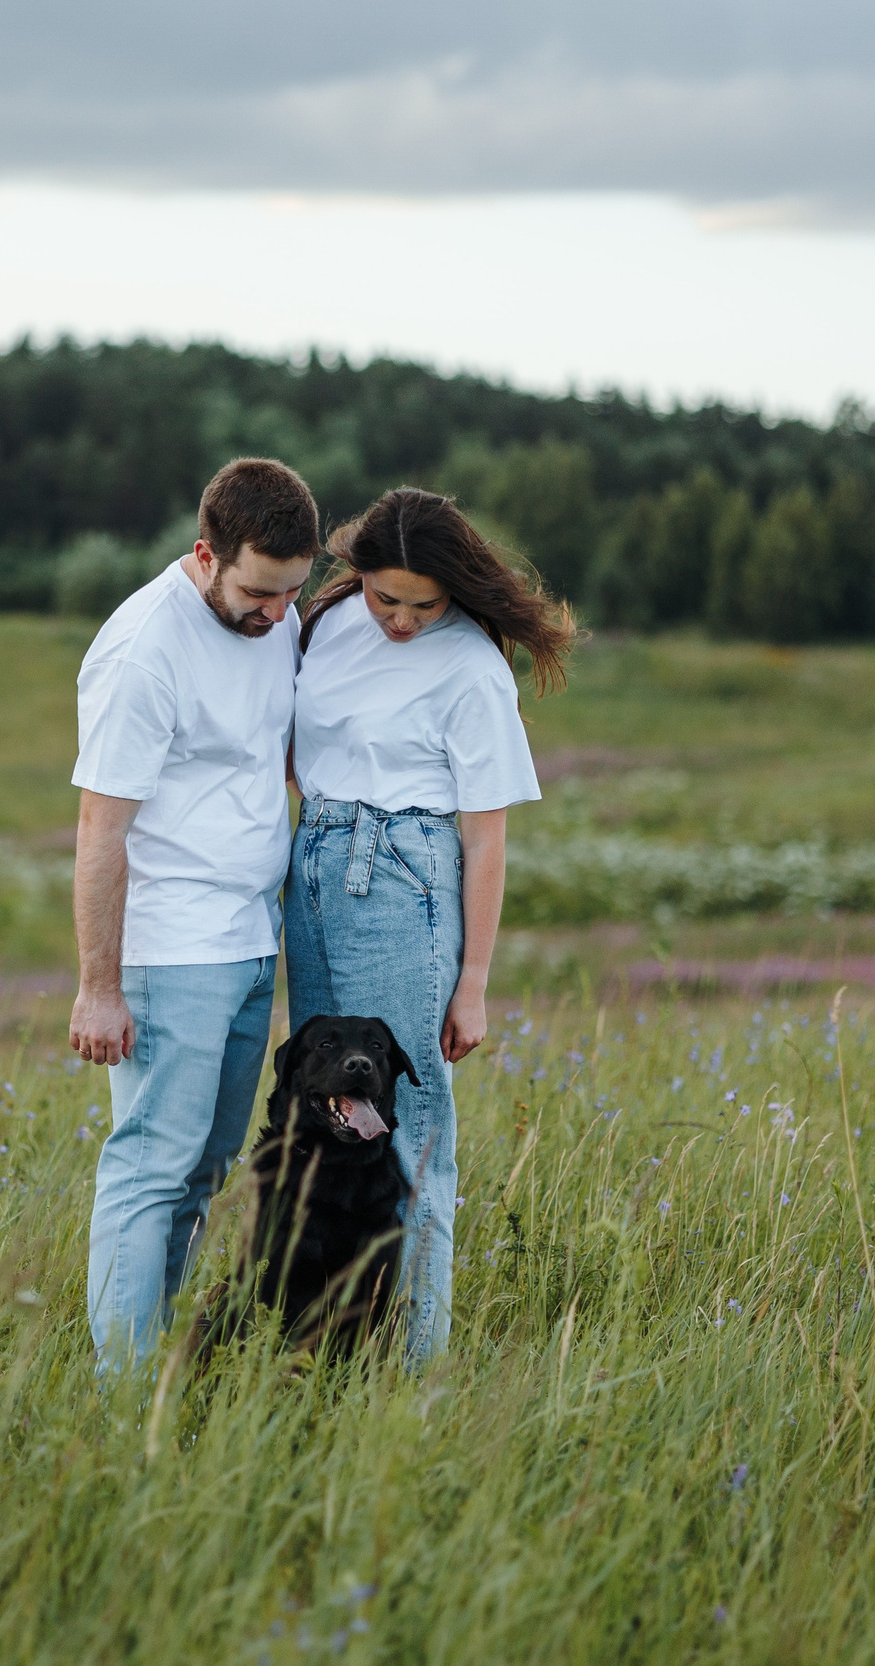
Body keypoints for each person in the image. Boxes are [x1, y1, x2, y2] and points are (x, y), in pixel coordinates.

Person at [285, 486, 576, 1363]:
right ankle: (336, 1344)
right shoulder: (331, 619)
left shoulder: (472, 668)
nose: (404, 621)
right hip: (315, 863)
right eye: (387, 598)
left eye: (426, 603)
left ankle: (414, 1366)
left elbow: (484, 840)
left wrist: (474, 980)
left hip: (404, 876)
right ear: (356, 572)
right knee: (327, 1117)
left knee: (406, 1132)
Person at [69, 457, 321, 1367]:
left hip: (252, 942)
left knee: (205, 1171)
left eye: (294, 593)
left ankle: (158, 1356)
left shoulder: (275, 623)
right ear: (206, 554)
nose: (276, 613)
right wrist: (100, 988)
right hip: (172, 952)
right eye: (260, 591)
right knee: (150, 1170)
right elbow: (101, 827)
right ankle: (123, 1392)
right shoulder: (147, 649)